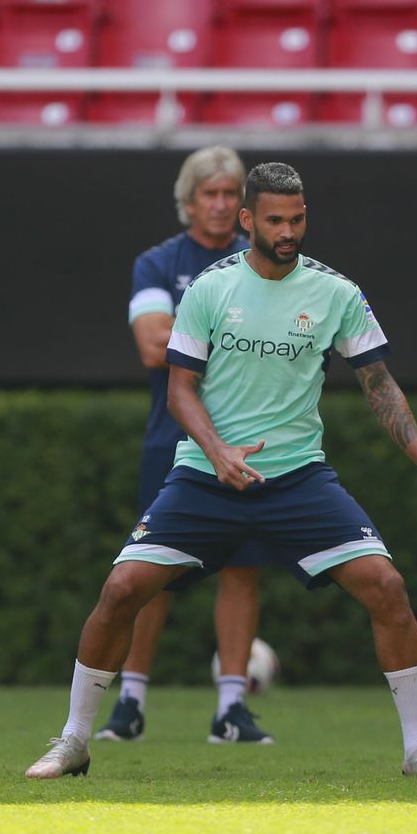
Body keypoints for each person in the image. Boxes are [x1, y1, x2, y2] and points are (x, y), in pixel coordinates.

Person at [27, 162, 417, 782]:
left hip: (299, 479)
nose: (289, 232)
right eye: (275, 220)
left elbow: (380, 386)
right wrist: (217, 452)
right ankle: (74, 740)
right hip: (206, 477)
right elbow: (181, 391)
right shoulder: (209, 288)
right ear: (247, 220)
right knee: (121, 590)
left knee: (388, 589)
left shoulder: (336, 291)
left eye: (298, 219)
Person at [96, 145, 291, 747]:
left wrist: (206, 330)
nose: (220, 204)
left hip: (250, 438)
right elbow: (153, 347)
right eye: (209, 194)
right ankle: (130, 702)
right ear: (187, 202)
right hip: (173, 438)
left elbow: (277, 338)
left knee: (243, 570)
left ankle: (232, 708)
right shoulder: (158, 263)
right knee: (151, 572)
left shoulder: (260, 262)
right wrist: (232, 327)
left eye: (231, 194)